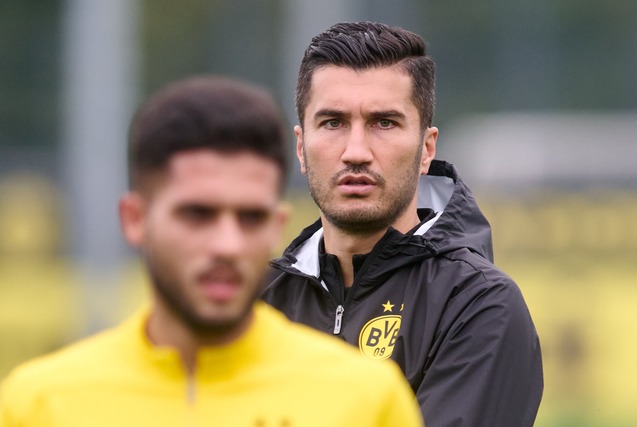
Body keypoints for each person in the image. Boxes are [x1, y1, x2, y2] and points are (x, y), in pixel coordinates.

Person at [0, 76, 424, 427]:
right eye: (197, 215)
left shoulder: (367, 401)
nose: (228, 245)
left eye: (250, 217)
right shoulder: (39, 405)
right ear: (135, 219)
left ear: (277, 226)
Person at [261, 21, 544, 426]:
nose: (355, 151)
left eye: (384, 123)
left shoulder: (480, 306)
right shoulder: (258, 305)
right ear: (301, 147)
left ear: (427, 149)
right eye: (333, 123)